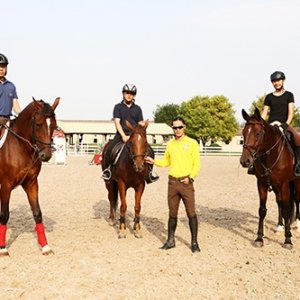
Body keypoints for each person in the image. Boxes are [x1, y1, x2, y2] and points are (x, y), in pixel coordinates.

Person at [145, 116, 201, 253]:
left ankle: (194, 242)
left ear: (184, 127)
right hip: (172, 183)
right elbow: (166, 162)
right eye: (175, 127)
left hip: (186, 182)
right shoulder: (170, 144)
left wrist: (191, 178)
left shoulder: (192, 143)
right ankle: (170, 241)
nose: (177, 130)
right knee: (172, 213)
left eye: (180, 127)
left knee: (191, 212)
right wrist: (154, 162)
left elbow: (197, 164)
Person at [101, 83, 159, 183]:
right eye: (127, 93)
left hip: (135, 136)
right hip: (121, 135)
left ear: (134, 95)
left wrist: (142, 128)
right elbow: (117, 123)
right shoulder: (118, 107)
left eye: (132, 93)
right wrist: (123, 135)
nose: (129, 95)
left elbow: (140, 122)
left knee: (150, 150)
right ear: (123, 93)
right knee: (108, 150)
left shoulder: (137, 109)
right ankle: (107, 171)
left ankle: (149, 173)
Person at [249, 71, 300, 176]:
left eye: (278, 80)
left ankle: (298, 164)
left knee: (296, 138)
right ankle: (254, 166)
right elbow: (264, 113)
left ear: (283, 81)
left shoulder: (289, 95)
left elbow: (291, 112)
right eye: (274, 81)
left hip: (284, 123)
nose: (276, 83)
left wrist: (286, 124)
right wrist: (260, 123)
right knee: (260, 140)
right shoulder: (269, 97)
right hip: (271, 124)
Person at [0, 53, 21, 126]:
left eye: (3, 66)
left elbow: (15, 104)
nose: (1, 69)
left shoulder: (11, 86)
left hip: (8, 120)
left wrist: (21, 115)